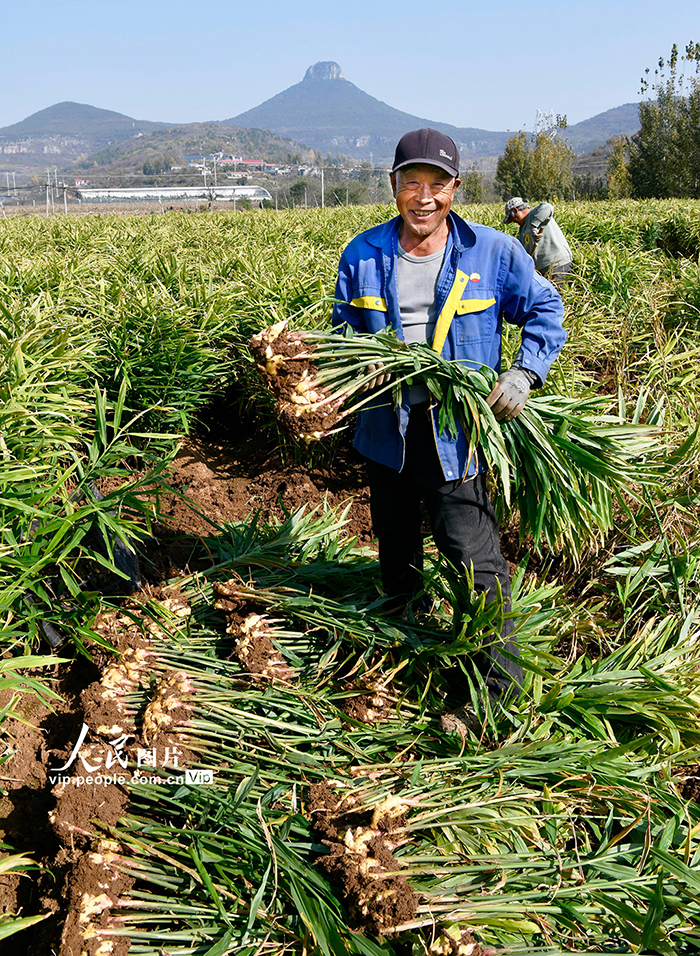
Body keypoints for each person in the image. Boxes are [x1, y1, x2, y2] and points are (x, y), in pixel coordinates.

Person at [332, 129, 566, 702]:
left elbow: (546, 307)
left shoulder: (493, 251)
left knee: (472, 553)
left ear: (455, 190)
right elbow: (341, 336)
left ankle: (495, 691)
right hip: (386, 431)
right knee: (395, 547)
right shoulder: (362, 254)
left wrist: (523, 373)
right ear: (394, 187)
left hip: (455, 433)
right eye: (412, 182)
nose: (424, 196)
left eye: (437, 184)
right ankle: (407, 650)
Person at [503, 197, 573, 288]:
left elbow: (548, 207)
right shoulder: (522, 230)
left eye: (512, 218)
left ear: (515, 211)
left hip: (558, 264)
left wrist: (534, 226)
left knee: (556, 297)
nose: (513, 221)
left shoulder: (534, 214)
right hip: (543, 270)